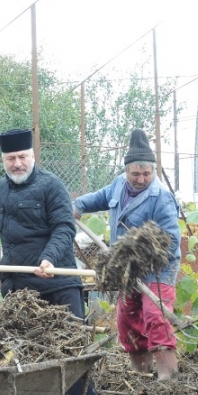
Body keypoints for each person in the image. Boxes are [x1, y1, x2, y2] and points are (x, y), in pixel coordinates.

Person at [0, 129, 102, 395]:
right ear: (3, 160)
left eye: (23, 156)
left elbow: (64, 227)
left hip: (57, 282)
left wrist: (48, 258)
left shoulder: (52, 186)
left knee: (73, 346)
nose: (17, 163)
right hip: (19, 287)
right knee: (29, 350)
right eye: (11, 158)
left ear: (33, 156)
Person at [73, 129, 181, 381]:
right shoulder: (118, 186)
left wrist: (134, 252)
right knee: (127, 319)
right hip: (127, 270)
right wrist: (76, 207)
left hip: (158, 268)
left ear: (153, 171)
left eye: (147, 173)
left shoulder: (161, 198)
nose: (141, 179)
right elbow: (94, 199)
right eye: (136, 174)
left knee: (156, 315)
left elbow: (172, 241)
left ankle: (168, 377)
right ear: (126, 172)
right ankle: (140, 375)